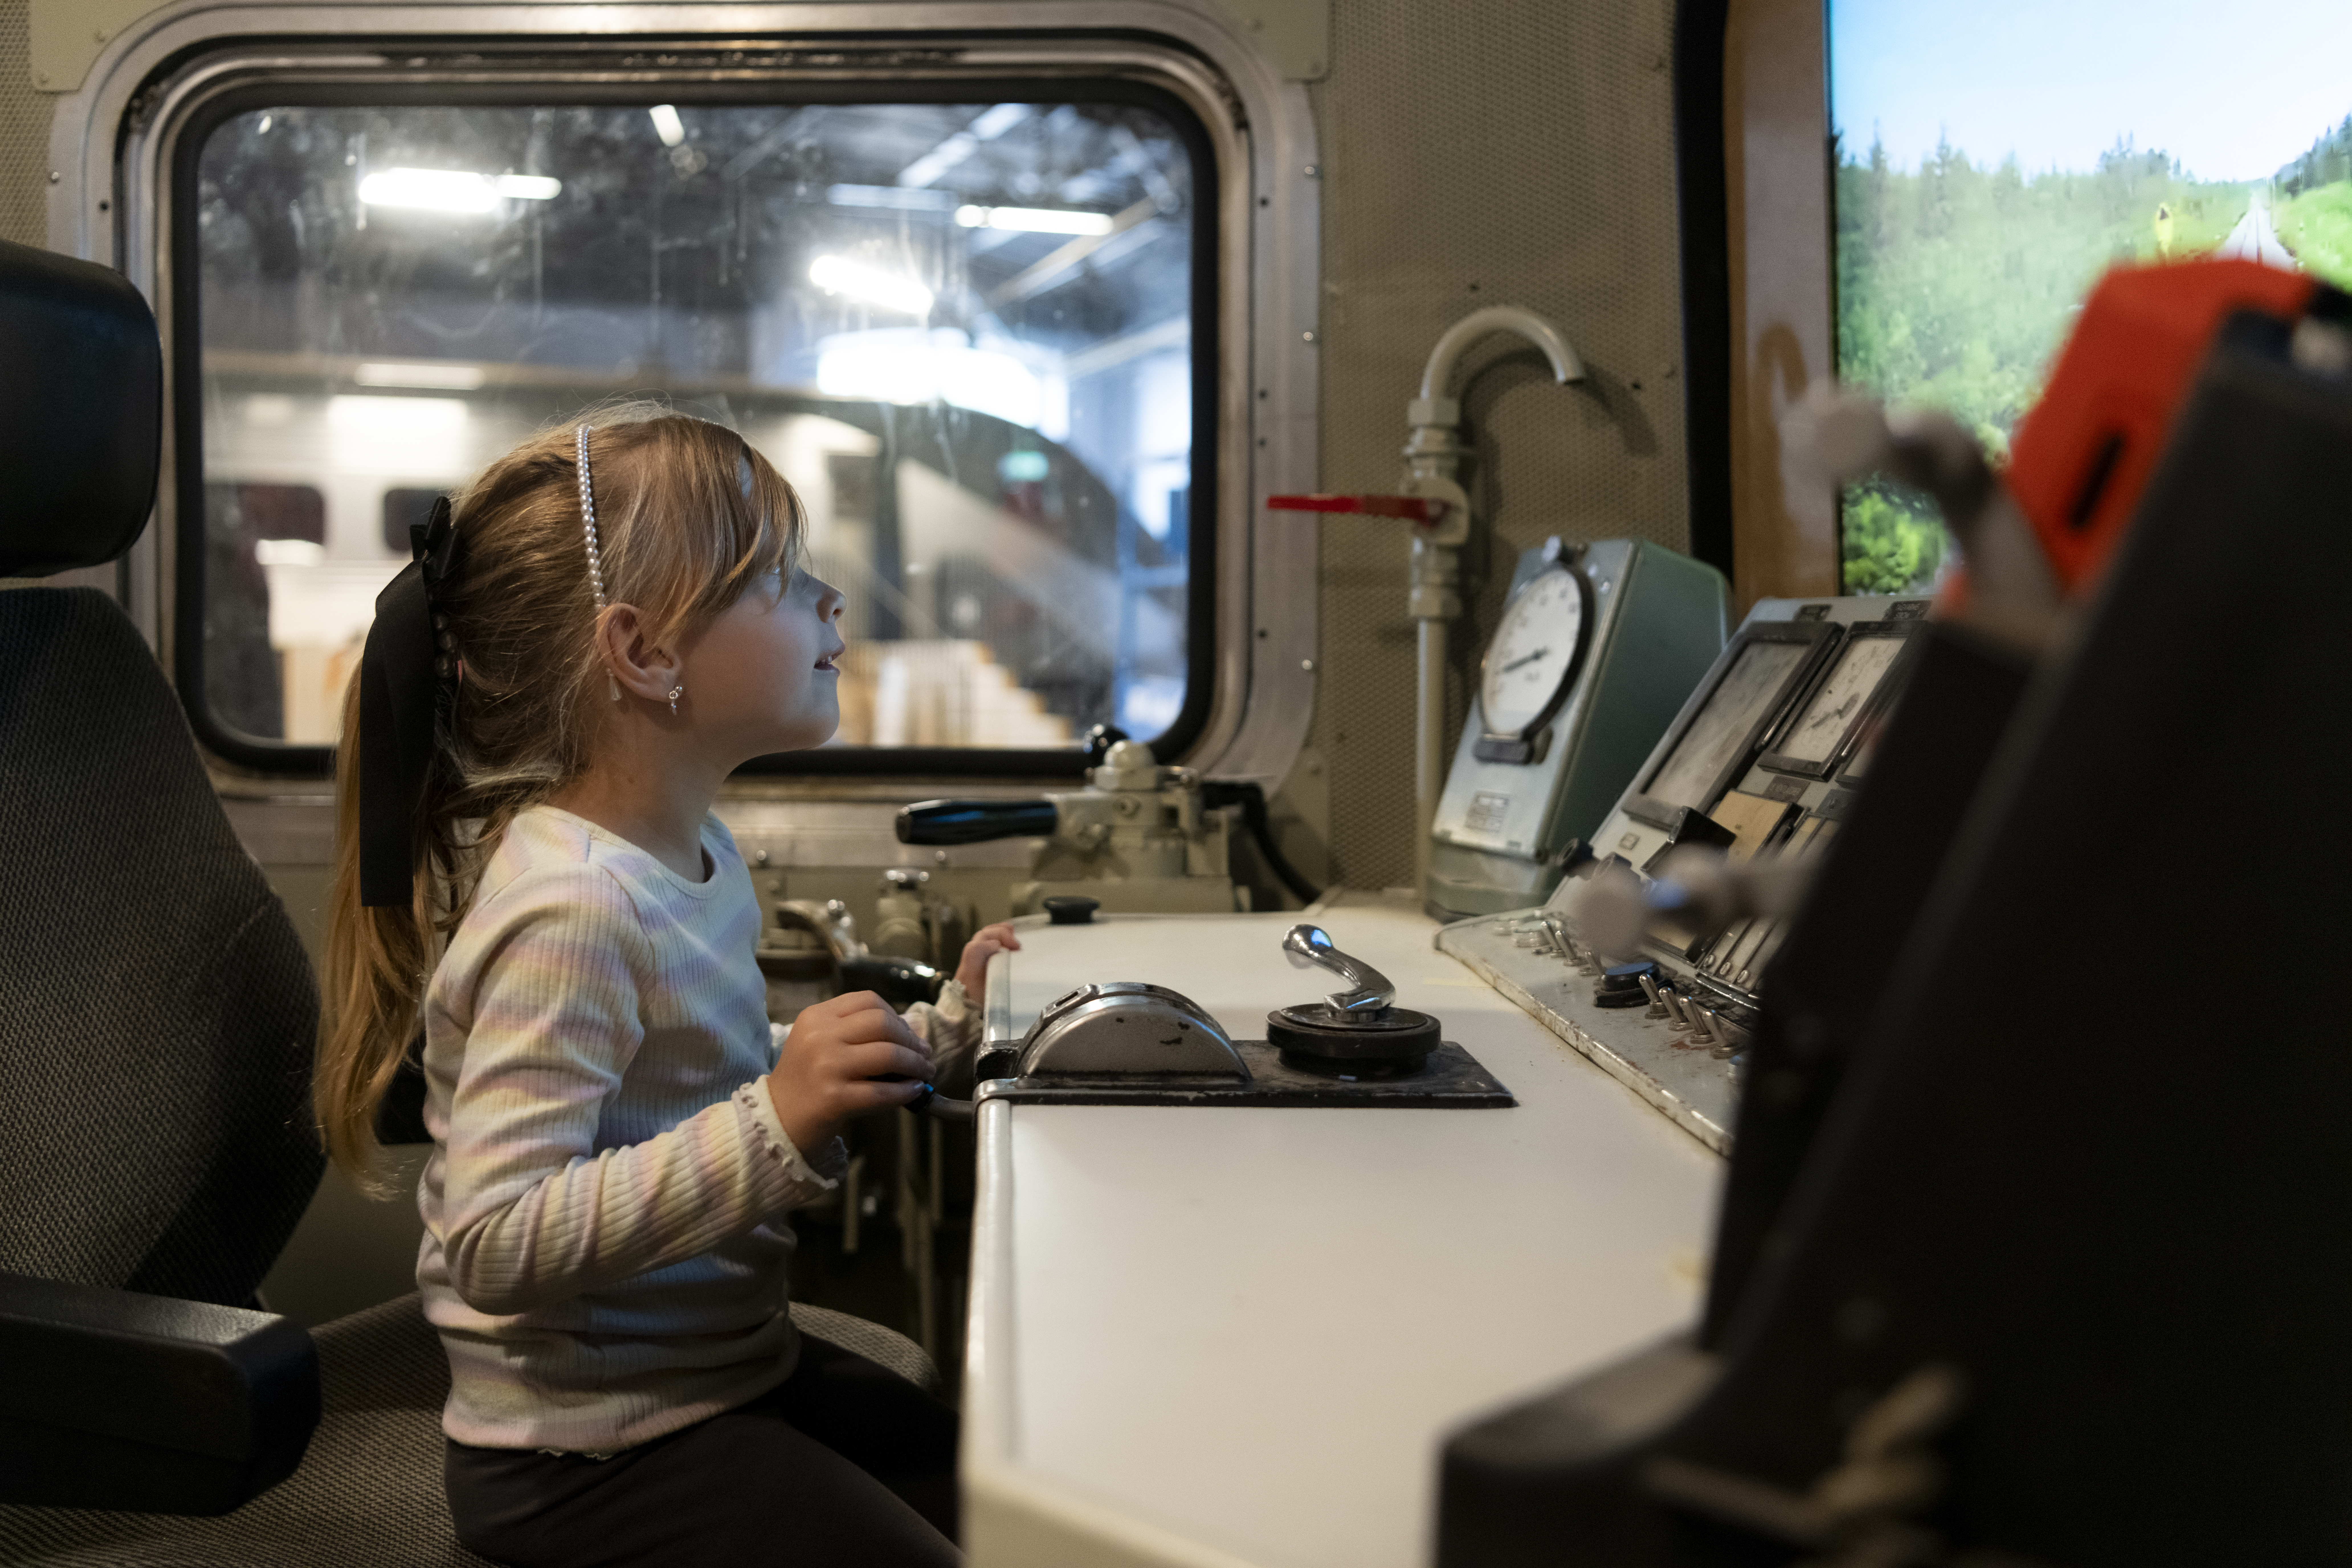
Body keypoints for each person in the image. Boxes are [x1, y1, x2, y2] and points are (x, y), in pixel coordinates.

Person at [312, 405, 1017, 1566]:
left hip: (722, 1373)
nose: (830, 597)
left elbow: (691, 1063)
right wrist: (777, 1118)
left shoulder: (689, 850)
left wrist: (924, 1040)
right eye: (778, 577)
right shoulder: (575, 912)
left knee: (994, 1492)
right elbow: (494, 1236)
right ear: (643, 652)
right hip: (589, 1459)